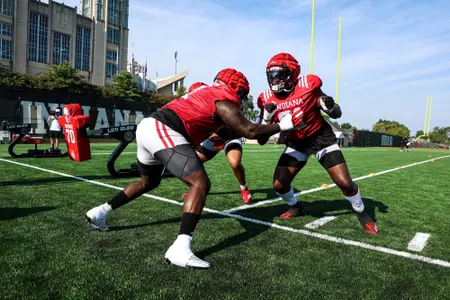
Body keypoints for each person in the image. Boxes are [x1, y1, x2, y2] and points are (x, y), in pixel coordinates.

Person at [85, 68, 303, 269]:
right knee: (200, 182)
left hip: (151, 128)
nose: (242, 99)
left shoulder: (207, 94)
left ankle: (100, 212)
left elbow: (237, 132)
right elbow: (249, 130)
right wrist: (281, 125)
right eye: (243, 94)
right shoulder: (223, 97)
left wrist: (264, 124)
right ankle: (180, 248)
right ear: (237, 88)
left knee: (149, 182)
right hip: (162, 128)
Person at [257, 52, 379, 234]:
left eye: (279, 75)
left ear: (292, 75)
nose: (275, 80)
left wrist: (329, 107)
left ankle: (362, 213)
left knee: (345, 183)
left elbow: (336, 112)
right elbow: (261, 140)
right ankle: (296, 207)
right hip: (296, 142)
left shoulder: (308, 86)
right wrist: (266, 119)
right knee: (279, 185)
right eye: (272, 76)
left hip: (320, 138)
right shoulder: (266, 98)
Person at [180, 82, 253, 204]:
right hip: (213, 139)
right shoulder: (196, 108)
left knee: (235, 163)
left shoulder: (219, 101)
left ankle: (244, 188)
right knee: (189, 163)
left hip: (230, 136)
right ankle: (195, 187)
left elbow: (233, 124)